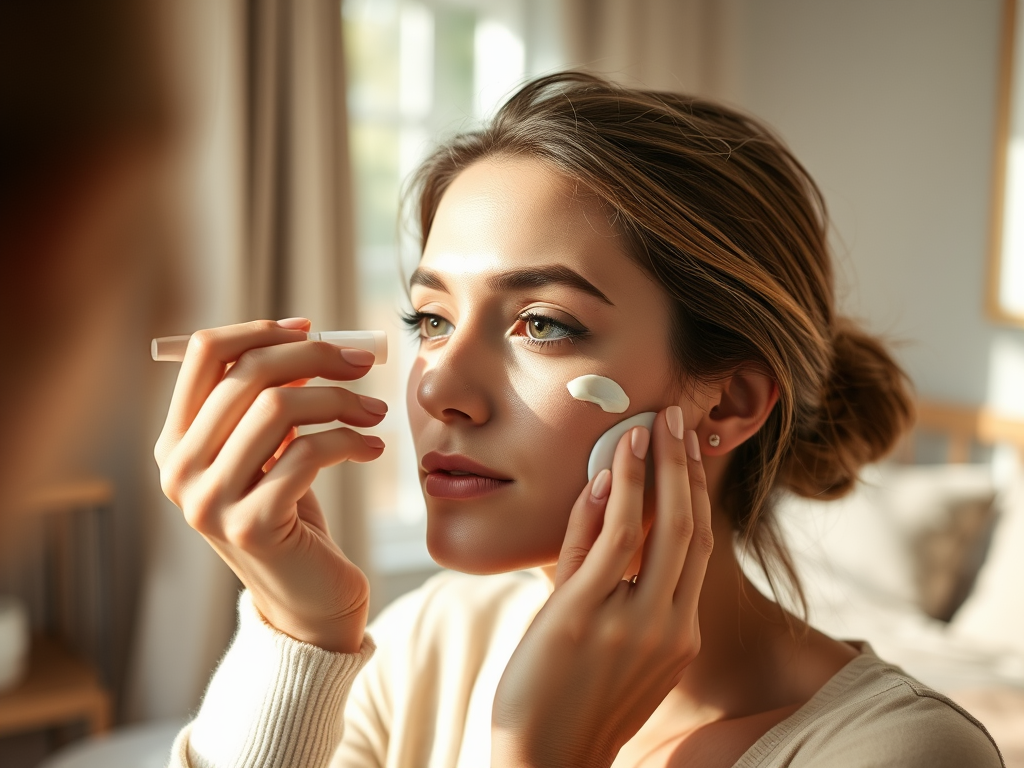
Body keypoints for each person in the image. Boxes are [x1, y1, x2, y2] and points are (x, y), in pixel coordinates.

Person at [157, 72, 1004, 767]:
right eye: (432, 320)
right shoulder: (435, 640)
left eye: (542, 325)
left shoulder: (901, 754)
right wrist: (300, 631)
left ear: (732, 401)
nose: (438, 387)